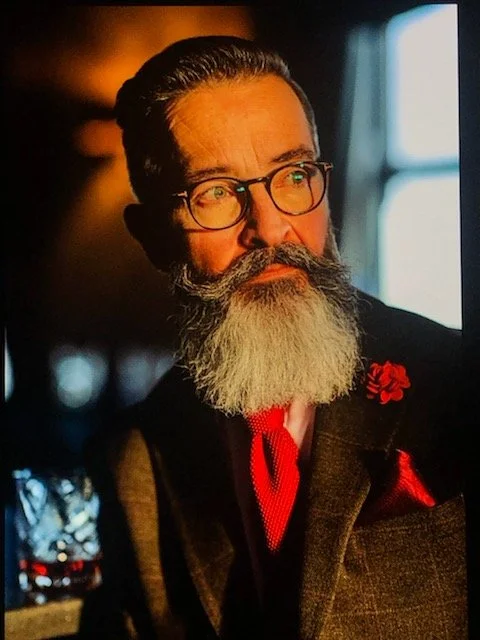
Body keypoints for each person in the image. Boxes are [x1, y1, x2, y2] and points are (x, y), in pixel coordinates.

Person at [81, 35, 467, 639]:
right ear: (152, 236)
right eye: (215, 192)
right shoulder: (141, 454)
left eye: (293, 175)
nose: (270, 228)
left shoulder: (459, 382)